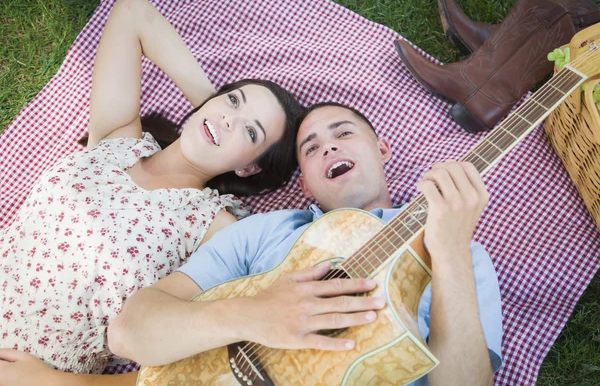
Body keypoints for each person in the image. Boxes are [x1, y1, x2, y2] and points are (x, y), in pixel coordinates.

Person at [0, 102, 502, 386]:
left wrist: (451, 251)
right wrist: (254, 314)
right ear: (304, 181)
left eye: (343, 133)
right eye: (310, 148)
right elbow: (130, 333)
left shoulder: (456, 249)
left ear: (382, 149)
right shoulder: (266, 232)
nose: (328, 146)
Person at [0, 0, 305, 375]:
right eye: (235, 101)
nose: (232, 119)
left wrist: (49, 382)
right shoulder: (117, 140)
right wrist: (213, 108)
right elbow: (132, 12)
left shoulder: (214, 229)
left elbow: (203, 361)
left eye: (252, 133)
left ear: (248, 168)